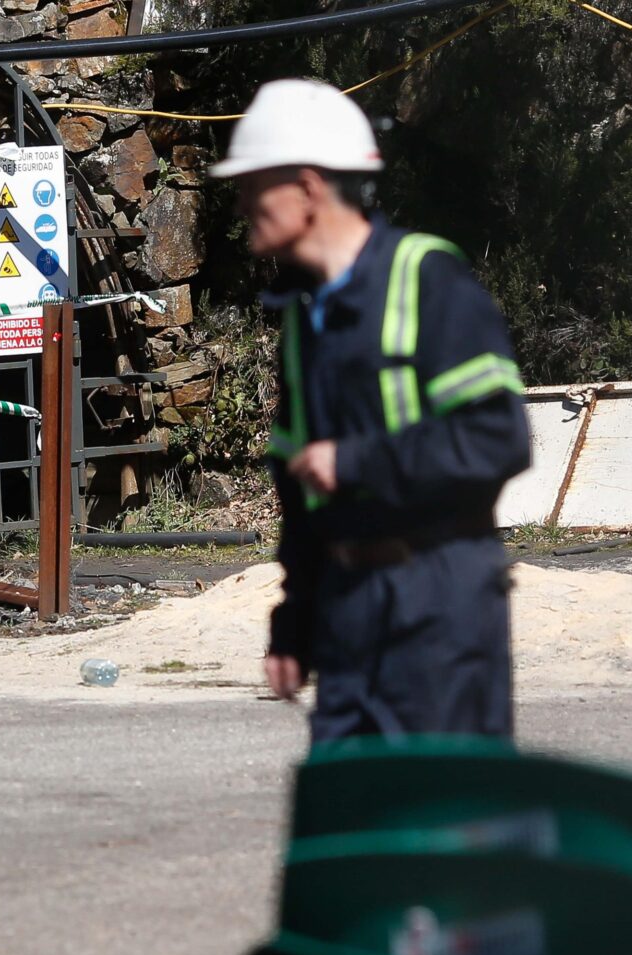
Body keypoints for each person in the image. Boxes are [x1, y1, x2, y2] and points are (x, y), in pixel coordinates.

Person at [209, 80, 531, 741]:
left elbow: (499, 438)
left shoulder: (427, 278)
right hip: (348, 609)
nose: (241, 202)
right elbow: (299, 498)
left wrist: (356, 461)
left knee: (438, 833)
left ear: (306, 187)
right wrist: (294, 621)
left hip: (440, 608)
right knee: (352, 825)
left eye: (254, 184)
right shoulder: (305, 318)